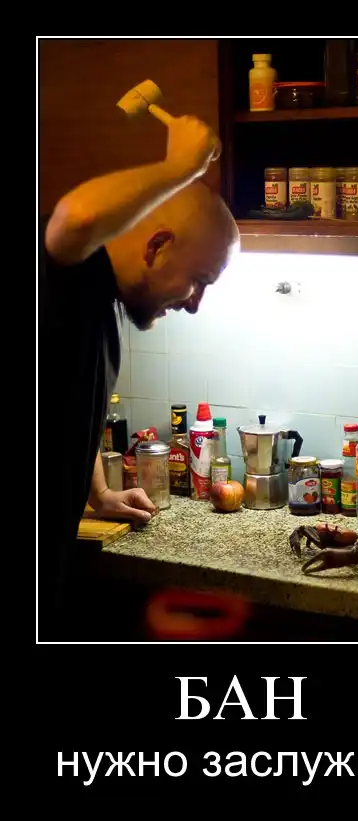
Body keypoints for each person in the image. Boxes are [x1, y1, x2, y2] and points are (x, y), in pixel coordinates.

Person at [39, 114, 240, 639]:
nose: (195, 304)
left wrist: (99, 492)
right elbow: (73, 219)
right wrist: (178, 167)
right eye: (199, 280)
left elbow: (63, 402)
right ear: (156, 246)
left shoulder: (96, 303)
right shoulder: (65, 274)